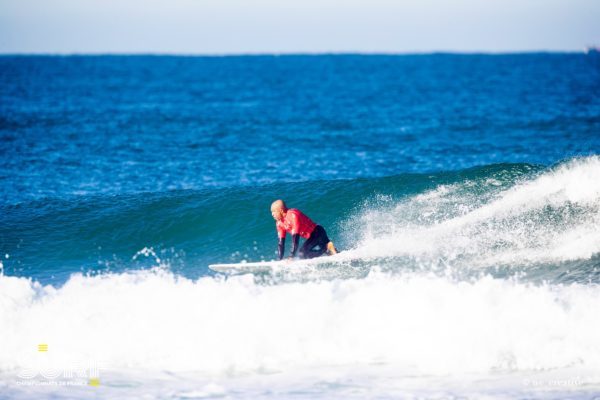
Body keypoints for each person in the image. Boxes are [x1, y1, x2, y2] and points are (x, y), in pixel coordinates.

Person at [270, 199, 338, 260]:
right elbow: (281, 243)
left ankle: (326, 247)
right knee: (333, 254)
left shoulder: (292, 215)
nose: (272, 214)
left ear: (281, 210)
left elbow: (295, 238)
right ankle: (330, 249)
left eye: (274, 212)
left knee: (302, 254)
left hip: (317, 232)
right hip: (313, 236)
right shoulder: (279, 223)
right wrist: (280, 259)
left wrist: (291, 256)